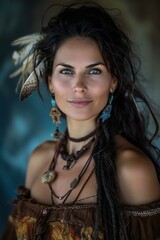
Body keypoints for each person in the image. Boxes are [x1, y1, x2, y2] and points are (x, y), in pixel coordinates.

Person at [2, 2, 160, 240]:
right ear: (50, 83)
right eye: (66, 71)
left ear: (113, 81)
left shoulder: (132, 170)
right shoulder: (39, 159)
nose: (78, 86)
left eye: (94, 71)